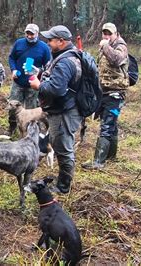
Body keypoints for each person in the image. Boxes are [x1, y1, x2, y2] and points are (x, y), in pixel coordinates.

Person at [29, 25, 83, 194]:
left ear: (61, 41)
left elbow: (57, 89)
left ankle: (63, 186)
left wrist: (39, 85)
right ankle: (63, 181)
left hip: (64, 112)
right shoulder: (66, 56)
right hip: (64, 109)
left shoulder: (66, 61)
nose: (48, 42)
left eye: (51, 40)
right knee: (62, 145)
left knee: (63, 149)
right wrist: (42, 73)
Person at [82, 23, 129, 170]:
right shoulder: (104, 47)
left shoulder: (121, 46)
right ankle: (111, 156)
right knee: (111, 123)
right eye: (104, 33)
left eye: (109, 34)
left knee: (107, 126)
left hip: (115, 94)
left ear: (116, 34)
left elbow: (117, 60)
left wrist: (105, 46)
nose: (106, 36)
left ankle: (98, 162)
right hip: (104, 92)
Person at [8, 24, 51, 135]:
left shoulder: (44, 47)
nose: (30, 36)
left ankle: (31, 131)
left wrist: (38, 71)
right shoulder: (19, 43)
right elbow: (12, 57)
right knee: (12, 108)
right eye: (28, 33)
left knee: (32, 110)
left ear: (37, 33)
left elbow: (49, 66)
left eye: (32, 34)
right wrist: (13, 69)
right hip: (18, 82)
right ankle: (12, 128)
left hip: (33, 84)